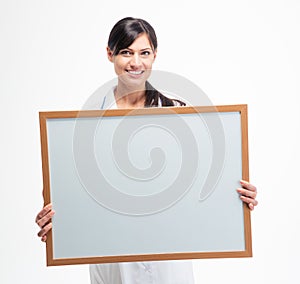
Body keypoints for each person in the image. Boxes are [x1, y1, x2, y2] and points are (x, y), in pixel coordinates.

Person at [36, 17, 258, 284]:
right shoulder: (83, 125)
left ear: (155, 55)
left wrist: (236, 199)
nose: (136, 63)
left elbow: (204, 182)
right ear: (110, 54)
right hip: (113, 259)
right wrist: (55, 218)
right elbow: (73, 192)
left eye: (144, 53)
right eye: (126, 52)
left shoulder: (179, 116)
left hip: (169, 260)